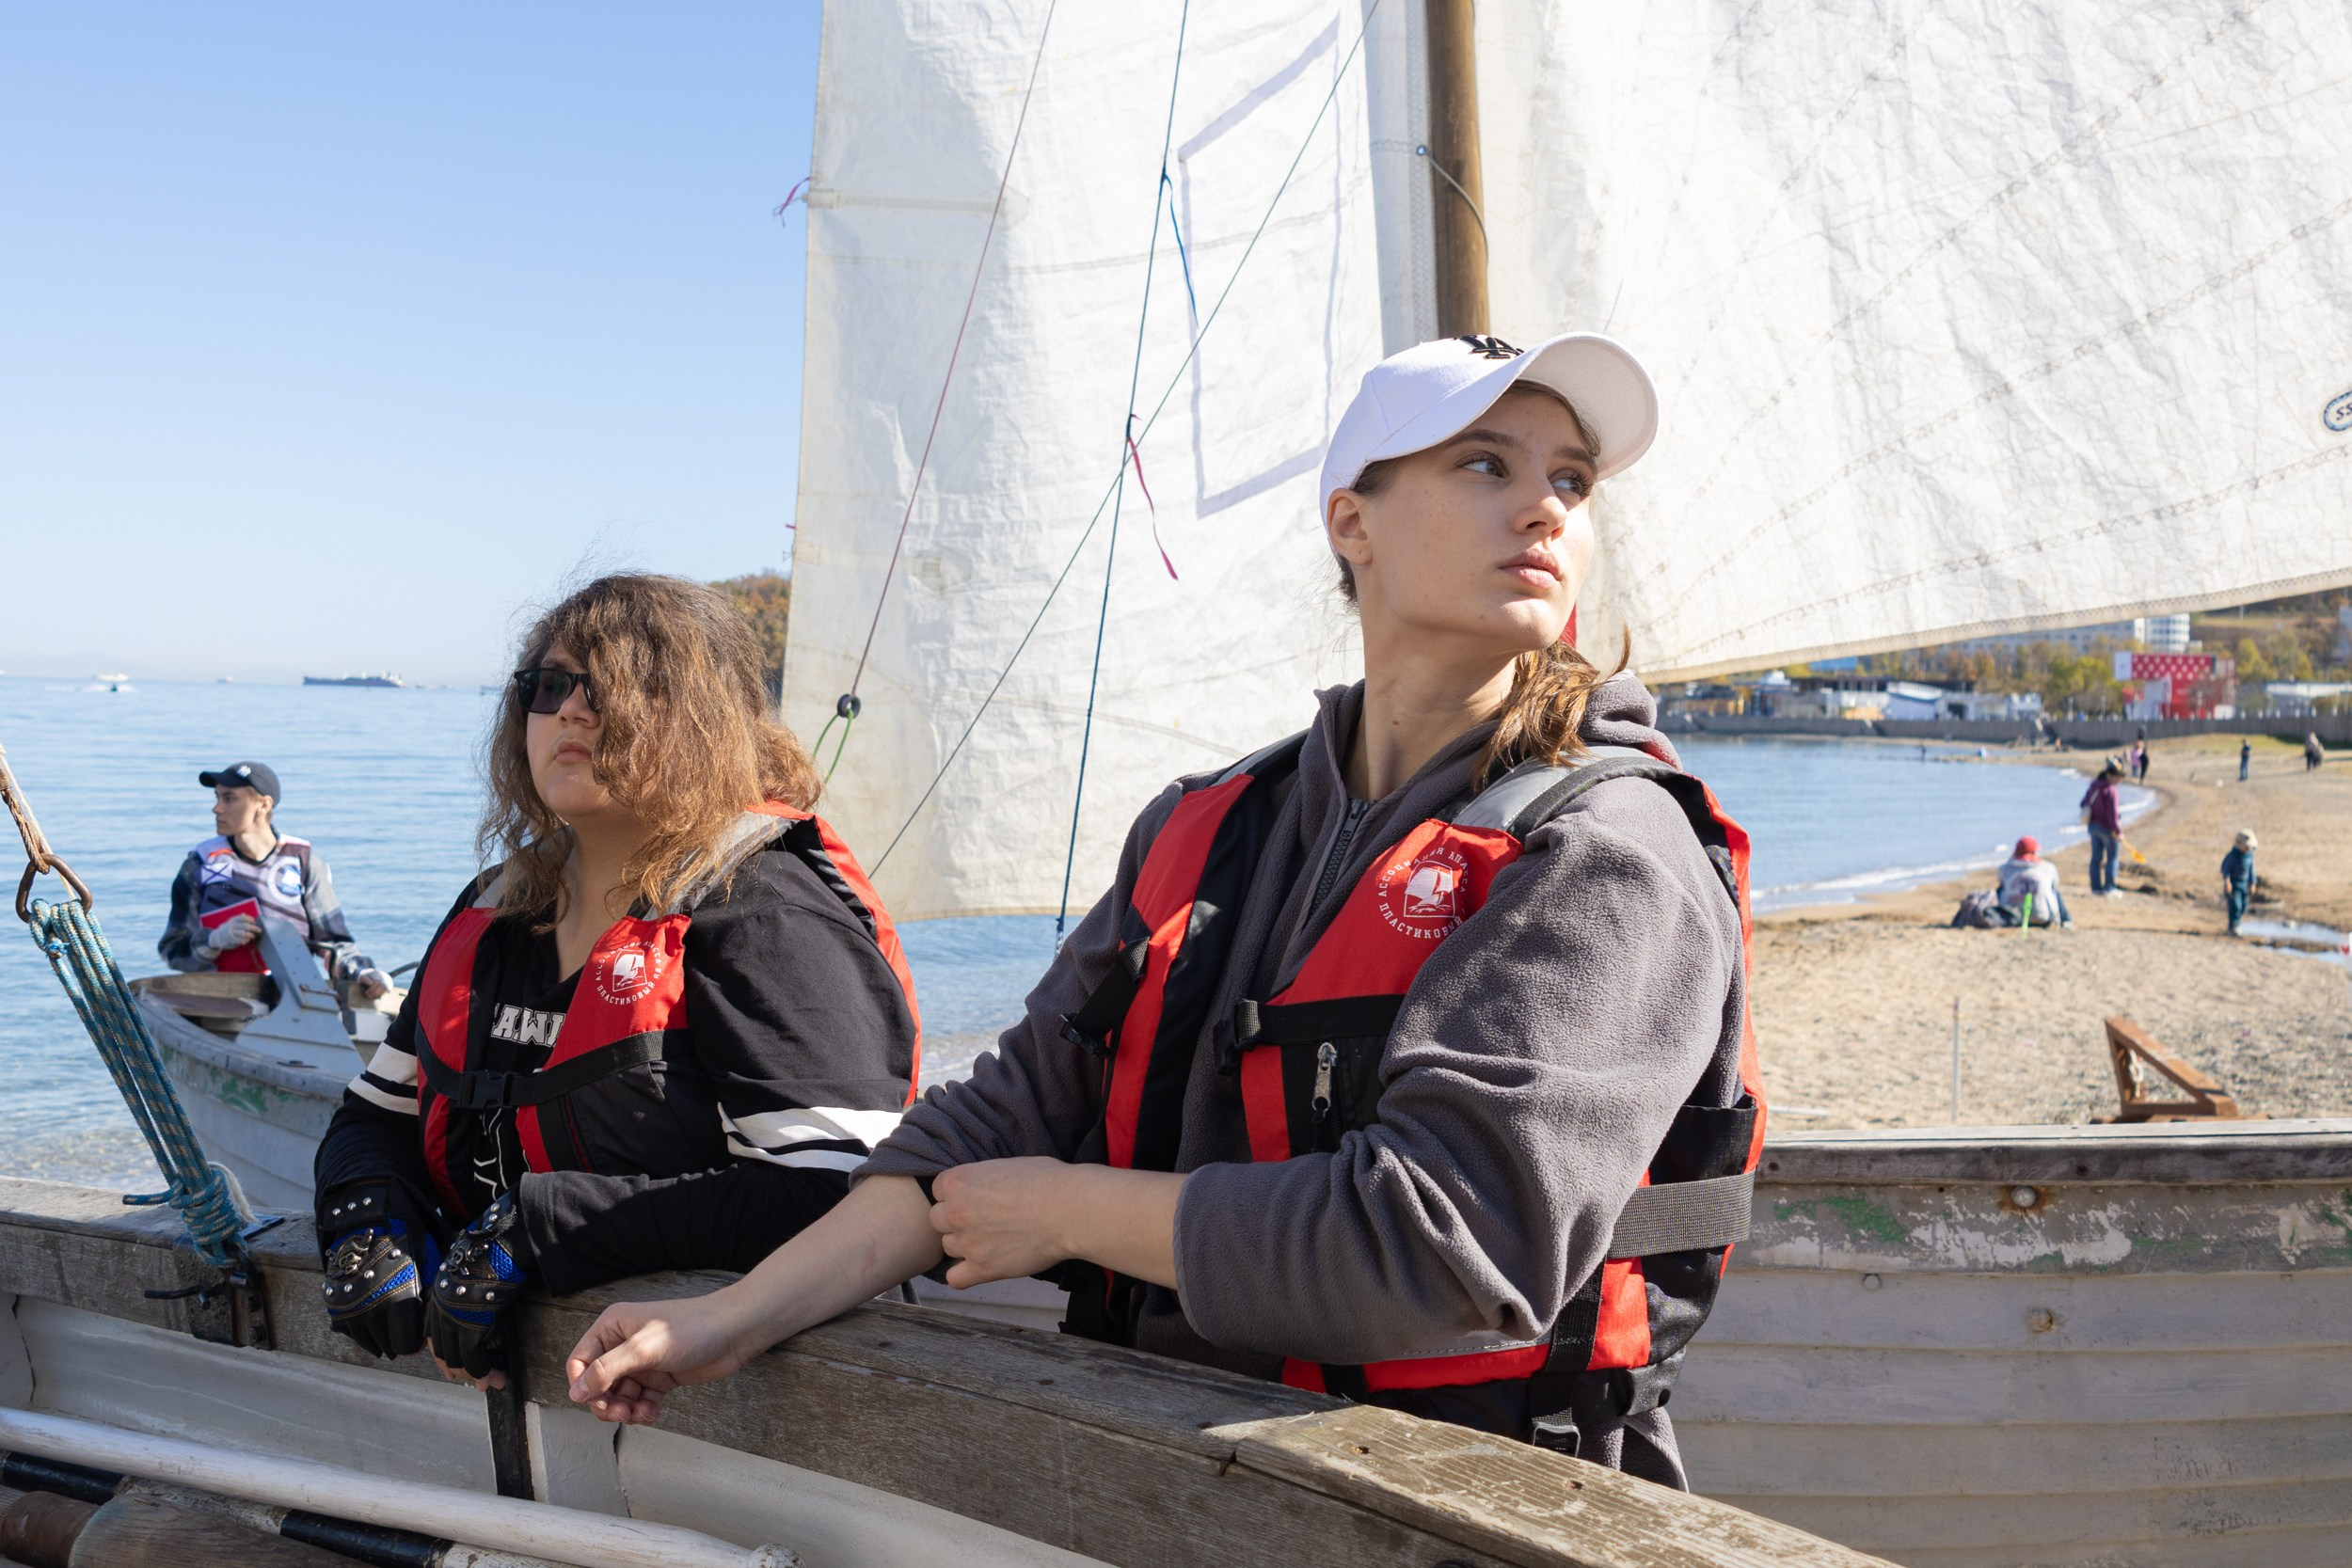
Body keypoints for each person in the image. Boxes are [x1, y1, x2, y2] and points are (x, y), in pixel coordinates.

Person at [563, 334, 1765, 1489]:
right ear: (1352, 519)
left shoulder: (1605, 852)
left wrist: (1069, 1209)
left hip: (1472, 1492)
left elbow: (1443, 1244)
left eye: (1571, 478)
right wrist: (724, 1320)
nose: (1546, 507)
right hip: (1186, 1466)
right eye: (1486, 463)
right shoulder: (1211, 825)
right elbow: (989, 1123)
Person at [312, 574, 921, 1388]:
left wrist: (541, 1229)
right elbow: (373, 1118)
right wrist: (367, 1216)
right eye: (550, 686)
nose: (571, 709)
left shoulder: (768, 914)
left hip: (735, 1405)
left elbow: (833, 1195)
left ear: (708, 719)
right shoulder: (495, 908)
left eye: (618, 686)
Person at [159, 761, 389, 1000]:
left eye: (229, 798)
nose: (216, 808)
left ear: (263, 804)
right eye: (217, 797)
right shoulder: (200, 863)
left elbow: (333, 943)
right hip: (219, 1002)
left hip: (293, 998)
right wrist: (215, 939)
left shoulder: (302, 860)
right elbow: (173, 951)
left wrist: (363, 971)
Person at [1995, 837, 2070, 927]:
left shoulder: (2005, 868)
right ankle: (2066, 920)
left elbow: (2001, 880)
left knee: (2001, 889)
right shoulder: (2047, 867)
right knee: (2053, 890)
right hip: (2043, 917)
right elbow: (2056, 883)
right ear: (2035, 851)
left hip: (2011, 916)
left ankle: (1999, 913)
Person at [2081, 760, 2124, 896]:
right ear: (2110, 776)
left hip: (2093, 826)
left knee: (2096, 858)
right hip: (2107, 829)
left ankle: (2096, 888)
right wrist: (2118, 832)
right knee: (2112, 858)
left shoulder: (2093, 786)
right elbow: (2113, 814)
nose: (2120, 780)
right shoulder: (2111, 791)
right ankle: (2110, 888)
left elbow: (2083, 803)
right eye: (2118, 777)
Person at [2221, 831, 2257, 936]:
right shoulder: (2233, 856)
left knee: (2243, 906)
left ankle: (2236, 925)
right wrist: (2227, 883)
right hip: (2234, 885)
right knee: (2235, 906)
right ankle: (2233, 927)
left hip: (2244, 884)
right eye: (2246, 847)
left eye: (2249, 847)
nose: (2248, 849)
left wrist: (2253, 884)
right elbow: (2225, 870)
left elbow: (2251, 871)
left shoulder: (2249, 856)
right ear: (2238, 844)